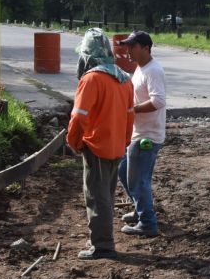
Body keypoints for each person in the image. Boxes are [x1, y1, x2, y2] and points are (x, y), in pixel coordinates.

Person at [67, 29, 134, 260]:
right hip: (116, 146)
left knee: (97, 196)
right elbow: (129, 116)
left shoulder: (91, 79)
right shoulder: (124, 79)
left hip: (96, 146)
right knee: (107, 194)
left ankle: (103, 245)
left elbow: (79, 116)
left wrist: (74, 142)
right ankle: (102, 238)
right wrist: (124, 141)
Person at [117, 30, 167, 237]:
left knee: (138, 180)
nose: (127, 51)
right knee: (124, 172)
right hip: (139, 133)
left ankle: (147, 223)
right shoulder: (140, 68)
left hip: (147, 136)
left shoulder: (153, 70)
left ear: (145, 48)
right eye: (126, 47)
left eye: (132, 47)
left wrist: (131, 110)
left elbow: (158, 101)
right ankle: (141, 212)